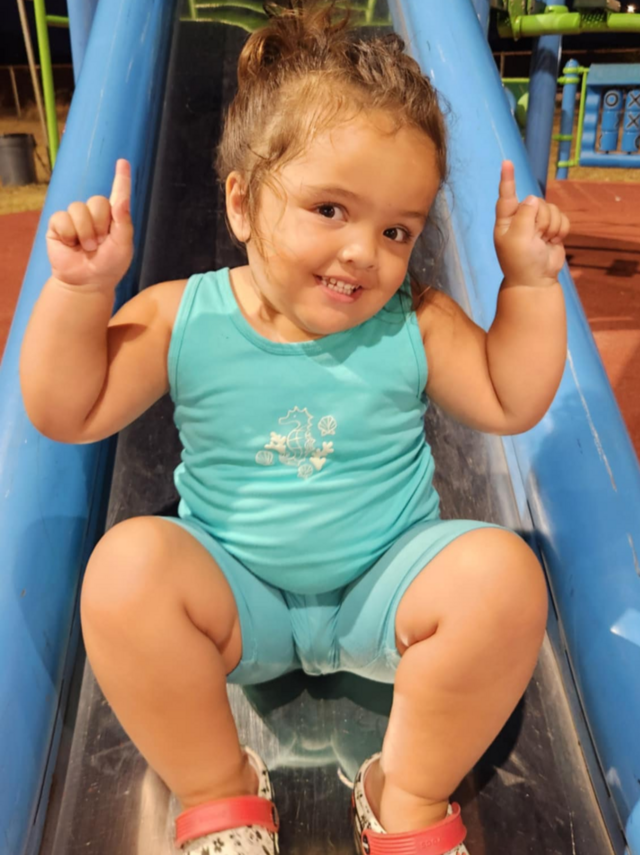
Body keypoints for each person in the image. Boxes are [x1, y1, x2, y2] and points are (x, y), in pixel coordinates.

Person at [20, 2, 570, 853]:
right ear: (241, 203)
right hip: (238, 598)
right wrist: (81, 292)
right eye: (330, 209)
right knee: (124, 572)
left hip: (386, 588)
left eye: (397, 229)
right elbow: (68, 408)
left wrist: (529, 286)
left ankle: (406, 794)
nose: (364, 251)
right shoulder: (182, 315)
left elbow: (508, 398)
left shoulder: (413, 319)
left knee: (505, 575)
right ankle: (220, 793)